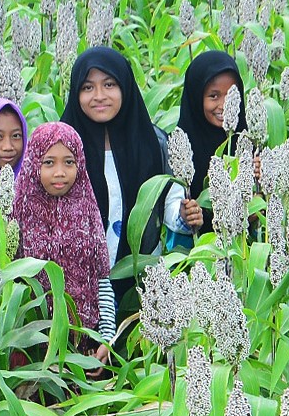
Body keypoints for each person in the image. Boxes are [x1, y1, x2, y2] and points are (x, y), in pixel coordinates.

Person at [59, 46, 186, 320]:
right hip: (77, 285)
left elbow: (170, 202)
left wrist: (186, 216)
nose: (99, 96)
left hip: (141, 280)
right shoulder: (62, 144)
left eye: (109, 84)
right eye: (88, 87)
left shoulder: (154, 143)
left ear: (125, 86)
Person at [14, 122, 114, 348]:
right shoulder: (18, 210)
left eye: (69, 162)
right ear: (33, 165)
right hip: (31, 349)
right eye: (49, 163)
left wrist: (106, 338)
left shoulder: (87, 209)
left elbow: (102, 279)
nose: (60, 172)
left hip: (83, 344)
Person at [173, 49, 250, 239]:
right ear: (196, 97)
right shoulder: (179, 148)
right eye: (213, 96)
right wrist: (186, 216)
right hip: (197, 254)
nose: (224, 105)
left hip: (244, 257)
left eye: (231, 95)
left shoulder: (248, 141)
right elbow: (169, 208)